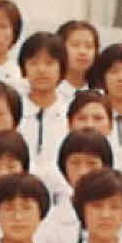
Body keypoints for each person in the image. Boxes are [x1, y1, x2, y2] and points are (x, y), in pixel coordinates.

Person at [17, 31, 72, 185]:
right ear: (24, 68)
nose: (41, 70)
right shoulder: (12, 111)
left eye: (49, 63)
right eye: (33, 63)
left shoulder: (71, 111)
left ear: (62, 67)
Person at [57, 19, 100, 91]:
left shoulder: (101, 94)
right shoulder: (49, 91)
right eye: (75, 45)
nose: (83, 52)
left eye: (89, 46)